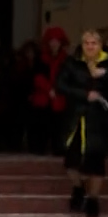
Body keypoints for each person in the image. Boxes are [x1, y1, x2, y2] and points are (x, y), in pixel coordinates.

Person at [57, 28, 108, 217]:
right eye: (86, 43)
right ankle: (78, 188)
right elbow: (60, 85)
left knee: (96, 163)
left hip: (98, 120)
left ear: (100, 45)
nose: (90, 47)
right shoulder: (72, 62)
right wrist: (84, 95)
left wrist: (105, 74)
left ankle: (93, 199)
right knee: (71, 163)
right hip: (76, 118)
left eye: (94, 43)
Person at [25, 25, 71, 156]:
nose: (54, 44)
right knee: (40, 127)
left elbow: (68, 77)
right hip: (43, 99)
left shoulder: (66, 60)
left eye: (57, 41)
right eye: (52, 41)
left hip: (59, 98)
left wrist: (57, 89)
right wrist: (49, 89)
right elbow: (37, 77)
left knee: (59, 127)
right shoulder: (41, 59)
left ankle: (58, 147)